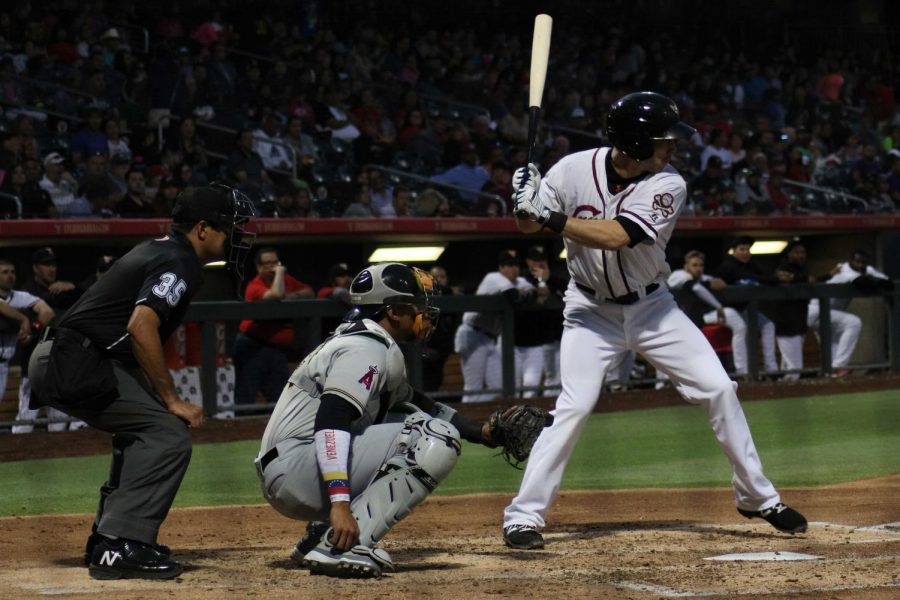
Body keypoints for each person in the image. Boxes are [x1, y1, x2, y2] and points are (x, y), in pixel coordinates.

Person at [505, 91, 807, 549]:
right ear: (635, 142)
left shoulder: (669, 183)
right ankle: (523, 517)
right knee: (575, 405)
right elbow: (530, 224)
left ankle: (757, 497)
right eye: (665, 140)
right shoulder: (570, 169)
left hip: (653, 309)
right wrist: (524, 201)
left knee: (720, 389)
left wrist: (546, 216)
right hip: (589, 311)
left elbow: (618, 236)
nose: (673, 148)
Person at [27, 184, 255, 580]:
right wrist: (170, 398)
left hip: (69, 356)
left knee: (143, 431)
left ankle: (107, 537)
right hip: (74, 359)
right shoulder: (177, 259)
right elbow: (141, 325)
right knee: (166, 433)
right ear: (202, 229)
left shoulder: (159, 249)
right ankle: (119, 545)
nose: (236, 236)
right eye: (230, 227)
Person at [256, 263, 523, 578]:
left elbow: (416, 403)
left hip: (290, 467)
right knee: (436, 438)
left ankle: (320, 536)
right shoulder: (364, 348)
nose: (425, 314)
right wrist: (340, 502)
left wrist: (480, 432)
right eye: (417, 306)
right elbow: (331, 421)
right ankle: (342, 545)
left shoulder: (371, 341)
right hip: (296, 469)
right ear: (394, 311)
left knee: (412, 419)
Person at [233, 247, 314, 413]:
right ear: (258, 267)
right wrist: (280, 273)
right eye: (267, 264)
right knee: (246, 397)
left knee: (279, 398)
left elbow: (309, 291)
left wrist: (293, 295)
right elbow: (276, 294)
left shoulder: (285, 280)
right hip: (252, 347)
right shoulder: (254, 286)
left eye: (275, 263)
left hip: (276, 350)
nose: (272, 267)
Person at [454, 250, 533, 403]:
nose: (513, 269)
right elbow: (512, 294)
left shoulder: (519, 281)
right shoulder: (494, 278)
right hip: (472, 334)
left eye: (516, 265)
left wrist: (531, 291)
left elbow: (534, 291)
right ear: (501, 268)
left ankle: (480, 415)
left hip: (490, 338)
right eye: (509, 265)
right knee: (473, 388)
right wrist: (525, 294)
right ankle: (463, 423)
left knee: (499, 388)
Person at [667, 250, 749, 374]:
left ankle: (743, 371)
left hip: (699, 317)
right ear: (686, 266)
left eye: (701, 265)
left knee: (737, 321)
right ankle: (661, 383)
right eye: (694, 265)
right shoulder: (679, 275)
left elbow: (719, 284)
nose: (698, 268)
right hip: (675, 319)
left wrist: (714, 282)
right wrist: (718, 306)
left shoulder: (704, 278)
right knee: (670, 348)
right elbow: (696, 287)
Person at [0, 259, 56, 434]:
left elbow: (47, 312)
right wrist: (23, 319)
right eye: (4, 272)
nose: (10, 276)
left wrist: (32, 329)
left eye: (12, 272)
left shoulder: (19, 297)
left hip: (3, 363)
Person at [714, 236, 783, 374]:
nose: (745, 252)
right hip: (719, 309)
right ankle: (742, 371)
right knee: (741, 327)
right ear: (734, 251)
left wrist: (778, 277)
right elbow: (753, 277)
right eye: (742, 249)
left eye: (747, 249)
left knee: (768, 325)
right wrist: (768, 279)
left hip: (741, 309)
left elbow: (768, 278)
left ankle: (771, 368)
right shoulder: (728, 266)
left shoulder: (751, 265)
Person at [514, 245, 566, 398]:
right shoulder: (522, 278)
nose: (540, 264)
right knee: (523, 385)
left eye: (542, 260)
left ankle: (551, 411)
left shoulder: (555, 277)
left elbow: (567, 291)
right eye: (536, 260)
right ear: (528, 261)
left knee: (555, 379)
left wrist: (548, 280)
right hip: (528, 339)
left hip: (555, 335)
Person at [771, 240, 814, 380]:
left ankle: (781, 393)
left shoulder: (801, 269)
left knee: (790, 369)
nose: (801, 255)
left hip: (799, 320)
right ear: (789, 254)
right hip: (787, 323)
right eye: (797, 252)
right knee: (795, 369)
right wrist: (800, 278)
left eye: (803, 252)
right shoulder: (784, 267)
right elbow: (782, 277)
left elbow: (808, 279)